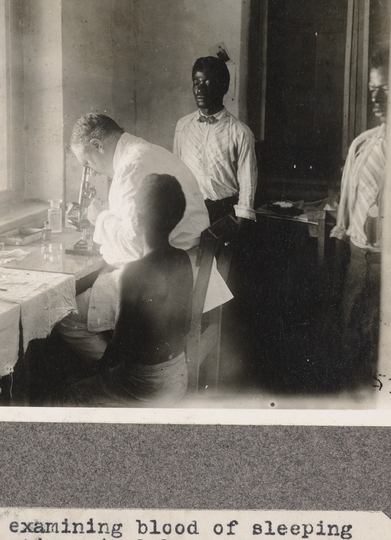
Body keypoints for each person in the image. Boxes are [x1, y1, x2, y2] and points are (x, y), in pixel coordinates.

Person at [58, 113, 231, 365]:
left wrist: (101, 217)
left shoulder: (131, 166)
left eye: (88, 162)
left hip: (167, 280)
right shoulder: (149, 151)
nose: (91, 170)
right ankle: (128, 370)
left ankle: (120, 377)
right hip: (189, 268)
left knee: (66, 316)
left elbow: (134, 244)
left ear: (98, 145)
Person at [57, 174, 193, 406]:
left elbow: (120, 344)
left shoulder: (134, 272)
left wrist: (99, 370)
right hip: (178, 375)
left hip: (145, 385)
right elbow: (185, 325)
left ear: (136, 221)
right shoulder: (182, 259)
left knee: (63, 397)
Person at [330, 46, 389, 384]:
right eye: (372, 91)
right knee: (350, 344)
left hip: (390, 271)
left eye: (386, 90)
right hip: (357, 264)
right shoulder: (362, 145)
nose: (376, 98)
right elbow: (345, 213)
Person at [173, 53, 258, 225]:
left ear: (224, 86)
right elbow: (177, 171)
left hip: (224, 215)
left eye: (206, 82)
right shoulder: (183, 126)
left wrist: (240, 223)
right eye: (196, 82)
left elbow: (247, 184)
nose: (199, 88)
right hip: (189, 213)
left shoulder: (240, 132)